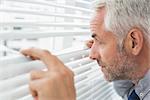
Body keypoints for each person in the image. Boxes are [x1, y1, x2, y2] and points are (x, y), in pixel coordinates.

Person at [21, 0, 150, 100]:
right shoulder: (139, 82)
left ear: (134, 42)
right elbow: (125, 84)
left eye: (99, 41)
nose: (91, 55)